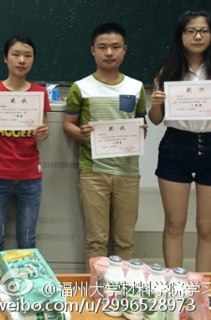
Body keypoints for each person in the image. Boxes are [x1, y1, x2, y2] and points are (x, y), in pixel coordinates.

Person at [148, 10, 211, 272]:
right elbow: (156, 119)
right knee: (174, 224)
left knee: (207, 228)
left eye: (204, 31)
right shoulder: (167, 71)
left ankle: (202, 288)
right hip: (176, 145)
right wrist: (156, 104)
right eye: (190, 31)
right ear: (181, 35)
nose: (197, 36)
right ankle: (175, 285)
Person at [62, 22, 147, 271]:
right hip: (93, 172)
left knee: (125, 241)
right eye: (102, 47)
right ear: (93, 51)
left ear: (124, 50)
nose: (109, 52)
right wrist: (81, 133)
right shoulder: (81, 87)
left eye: (115, 47)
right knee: (96, 240)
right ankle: (97, 288)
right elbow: (68, 125)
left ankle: (124, 289)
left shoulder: (136, 87)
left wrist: (141, 130)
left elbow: (140, 123)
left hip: (128, 172)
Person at [0, 35, 51, 277]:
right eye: (16, 54)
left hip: (30, 177)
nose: (22, 60)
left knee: (27, 238)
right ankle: (0, 285)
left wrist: (44, 132)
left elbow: (44, 131)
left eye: (28, 55)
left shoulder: (39, 93)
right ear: (5, 58)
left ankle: (27, 287)